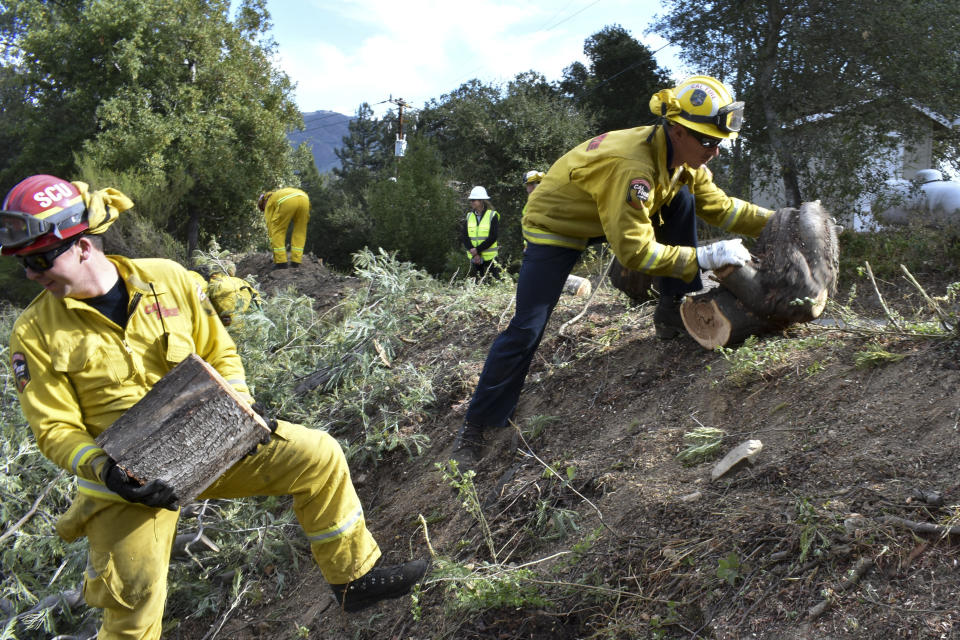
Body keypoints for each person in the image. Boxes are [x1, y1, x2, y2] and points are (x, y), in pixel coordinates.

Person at [1, 175, 427, 639]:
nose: (31, 274)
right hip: (130, 485)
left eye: (40, 259)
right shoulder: (34, 333)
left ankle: (354, 580)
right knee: (132, 611)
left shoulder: (167, 278)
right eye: (24, 263)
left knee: (317, 455)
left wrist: (240, 404)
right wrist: (106, 471)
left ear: (83, 245)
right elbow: (54, 428)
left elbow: (219, 351)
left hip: (212, 442)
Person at [451, 75, 774, 468]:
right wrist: (705, 257)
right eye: (707, 141)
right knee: (527, 328)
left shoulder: (681, 158)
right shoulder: (632, 168)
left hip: (603, 212)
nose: (716, 151)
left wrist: (780, 222)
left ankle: (671, 309)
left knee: (684, 198)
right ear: (676, 128)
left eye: (719, 141)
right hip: (557, 226)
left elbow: (722, 208)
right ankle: (477, 425)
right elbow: (636, 252)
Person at [257, 187, 310, 269]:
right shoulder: (278, 194)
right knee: (300, 230)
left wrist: (274, 248)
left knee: (277, 231)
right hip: (304, 198)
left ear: (263, 202)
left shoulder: (269, 201)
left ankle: (281, 263)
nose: (264, 210)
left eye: (263, 208)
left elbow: (270, 226)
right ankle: (296, 261)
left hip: (287, 201)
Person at [459, 185, 501, 281]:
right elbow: (465, 236)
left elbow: (493, 237)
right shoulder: (469, 216)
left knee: (495, 283)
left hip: (490, 258)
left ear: (481, 201)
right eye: (471, 200)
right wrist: (474, 253)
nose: (472, 202)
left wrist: (477, 250)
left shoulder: (492, 215)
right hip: (475, 259)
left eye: (474, 200)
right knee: (477, 284)